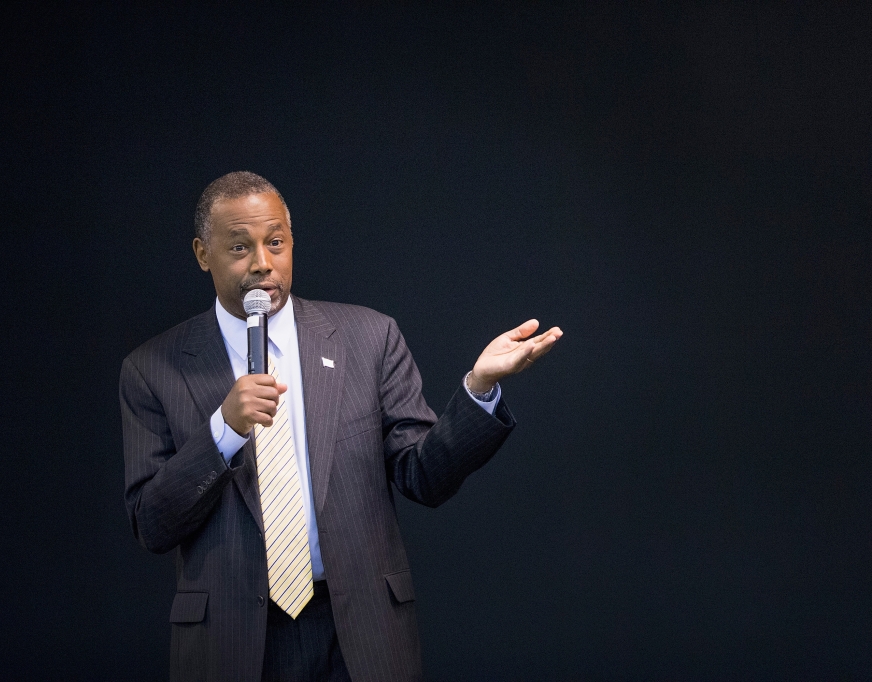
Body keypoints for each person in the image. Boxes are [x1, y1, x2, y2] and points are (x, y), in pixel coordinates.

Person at [120, 171, 562, 682]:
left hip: (359, 631)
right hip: (231, 643)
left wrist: (478, 388)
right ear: (203, 254)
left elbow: (424, 476)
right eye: (239, 247)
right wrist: (223, 431)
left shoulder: (368, 338)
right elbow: (151, 525)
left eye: (276, 243)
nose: (262, 263)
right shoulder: (153, 368)